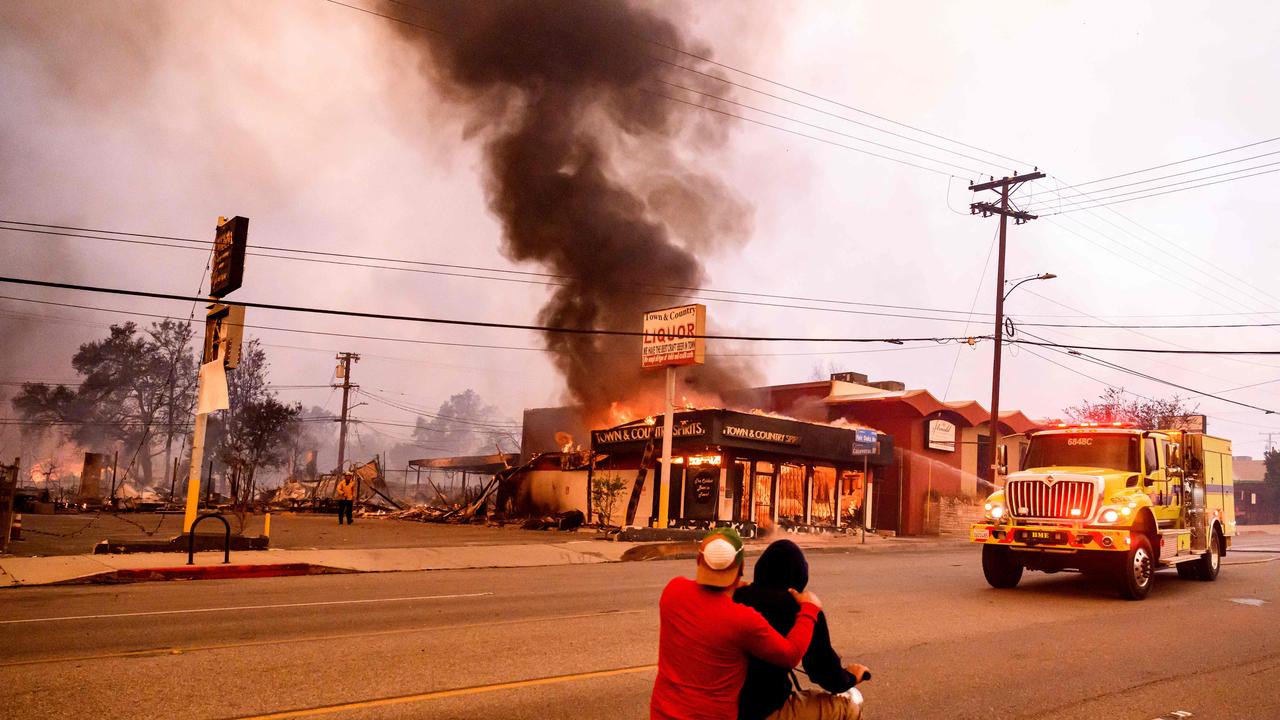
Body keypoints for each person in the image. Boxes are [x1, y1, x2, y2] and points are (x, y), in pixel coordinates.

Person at [651, 528, 823, 720]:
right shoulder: (742, 619)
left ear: (699, 561)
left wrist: (730, 587)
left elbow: (702, 597)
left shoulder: (673, 591)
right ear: (741, 568)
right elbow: (790, 655)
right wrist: (809, 609)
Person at [734, 540, 869, 720]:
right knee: (849, 708)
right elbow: (825, 674)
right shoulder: (802, 609)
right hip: (763, 710)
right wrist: (851, 677)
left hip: (719, 704)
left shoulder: (734, 596)